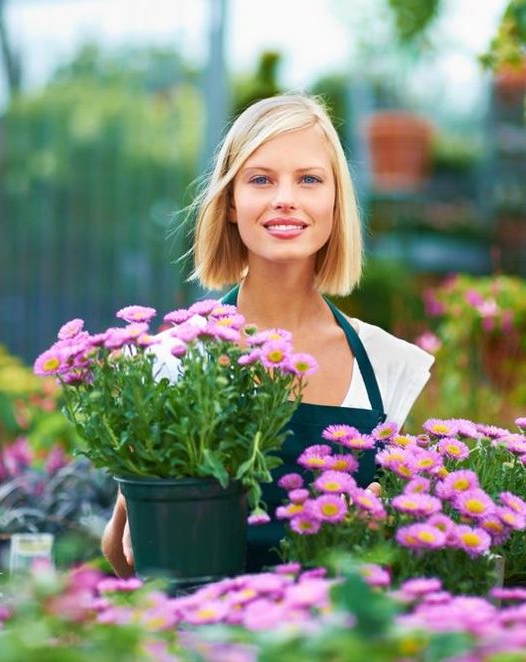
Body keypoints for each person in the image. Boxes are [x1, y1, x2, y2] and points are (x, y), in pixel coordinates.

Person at [101, 92, 434, 577]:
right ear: (231, 203)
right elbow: (122, 553)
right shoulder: (175, 355)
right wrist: (137, 511)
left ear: (336, 200)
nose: (285, 198)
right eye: (260, 179)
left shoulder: (388, 364)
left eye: (309, 179)